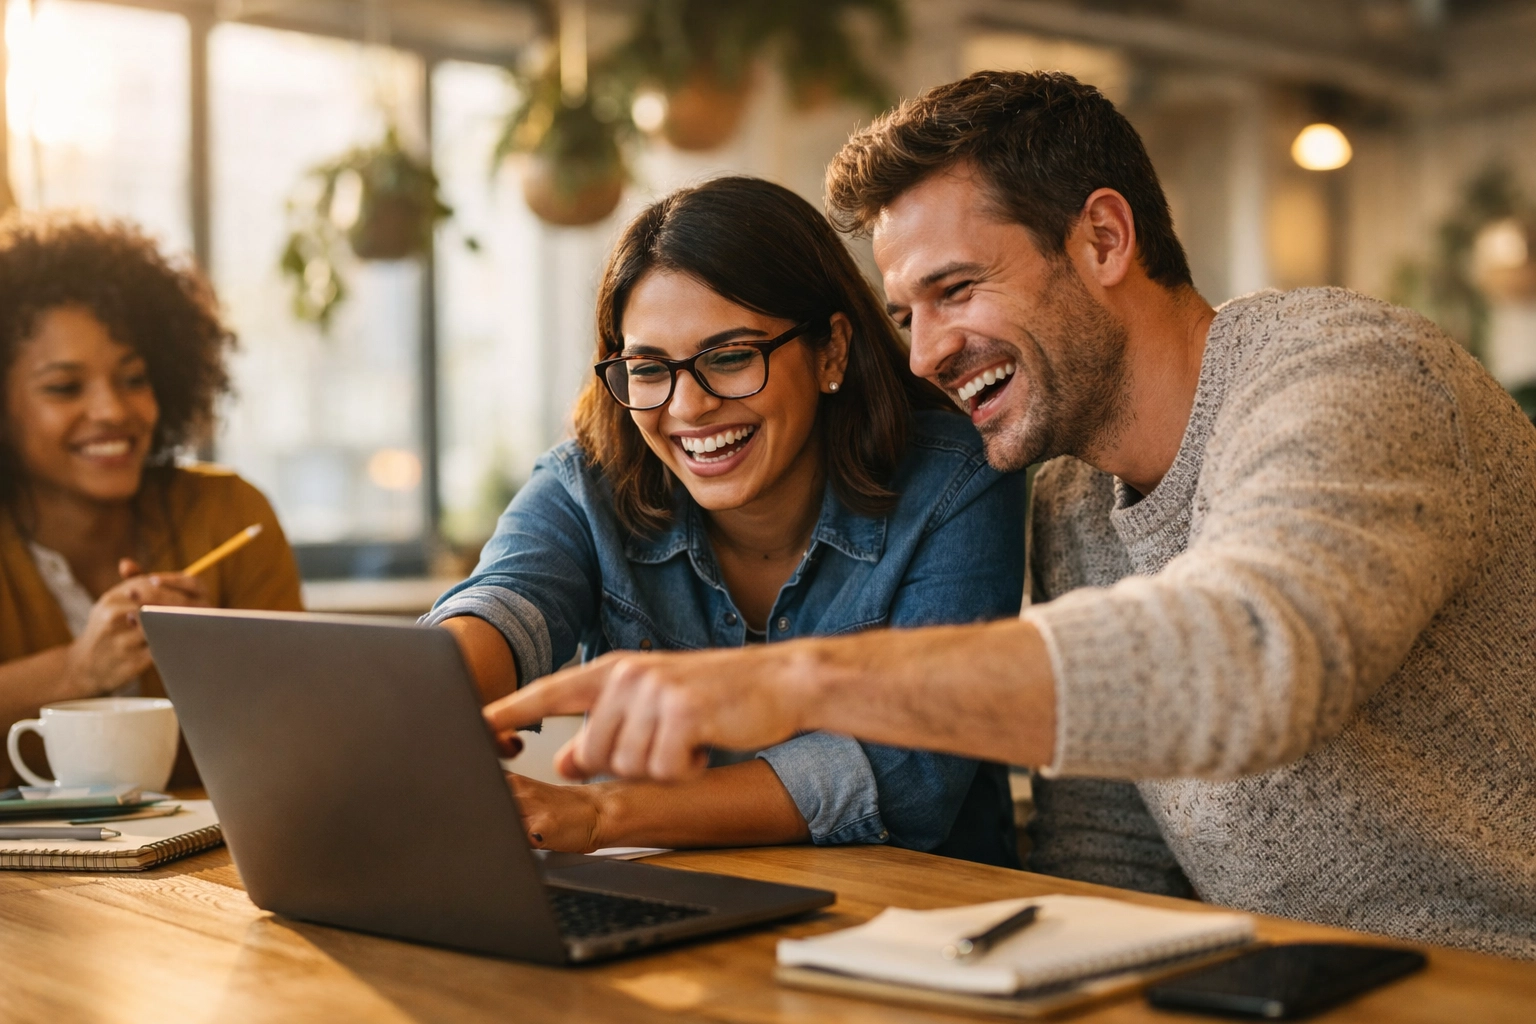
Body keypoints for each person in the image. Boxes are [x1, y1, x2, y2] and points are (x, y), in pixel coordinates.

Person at [487, 72, 1536, 959]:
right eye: (905, 313)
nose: (925, 353)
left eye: (956, 290)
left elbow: (1256, 656)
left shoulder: (1349, 377)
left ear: (1105, 237)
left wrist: (794, 677)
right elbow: (1109, 852)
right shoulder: (1076, 499)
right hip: (1286, 981)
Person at [425, 176, 1025, 866]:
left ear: (831, 349)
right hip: (672, 928)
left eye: (731, 358)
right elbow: (506, 600)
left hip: (916, 933)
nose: (687, 407)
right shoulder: (588, 480)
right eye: (649, 368)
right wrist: (440, 693)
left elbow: (913, 771)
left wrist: (603, 813)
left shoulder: (956, 483)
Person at [0, 212, 302, 787]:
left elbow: (308, 740)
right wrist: (73, 670)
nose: (113, 410)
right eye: (65, 387)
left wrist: (218, 659)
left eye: (134, 379)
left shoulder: (230, 517)